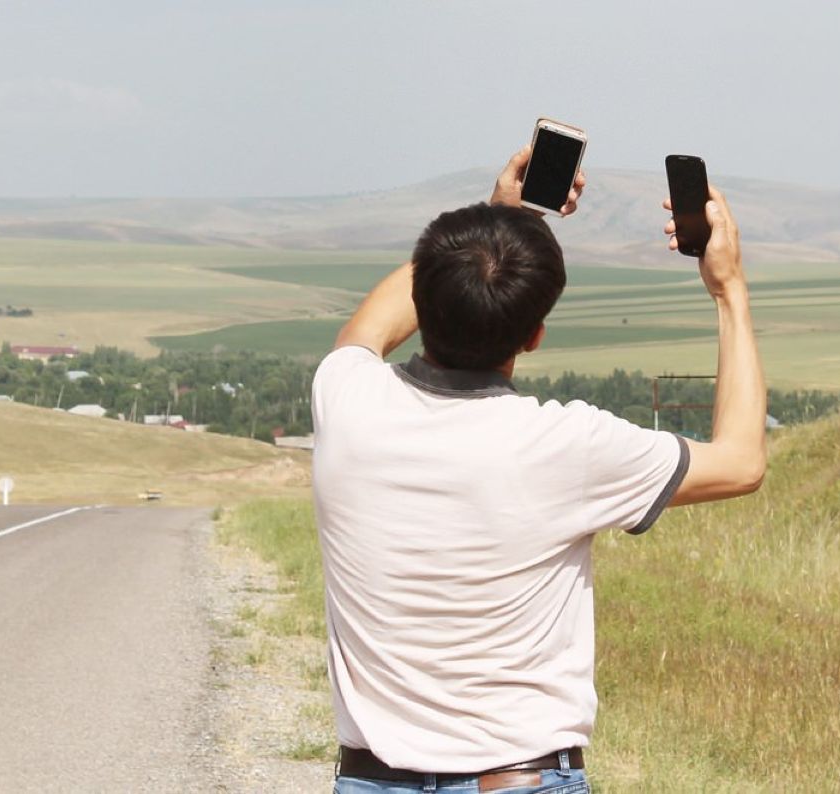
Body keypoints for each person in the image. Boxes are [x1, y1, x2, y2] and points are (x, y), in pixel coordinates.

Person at [312, 145, 767, 793]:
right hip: (519, 777)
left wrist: (495, 223)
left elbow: (367, 329)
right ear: (534, 336)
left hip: (372, 780)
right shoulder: (566, 445)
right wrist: (729, 288)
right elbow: (742, 460)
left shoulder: (345, 400)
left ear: (422, 296)